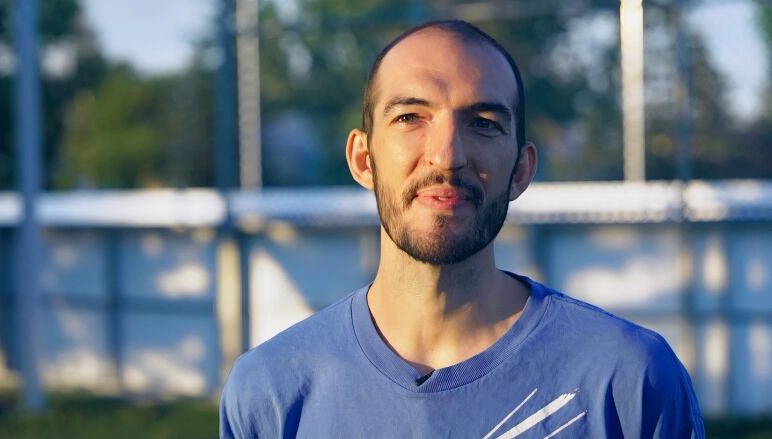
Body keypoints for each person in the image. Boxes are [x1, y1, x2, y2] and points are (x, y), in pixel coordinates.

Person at [220, 20, 705, 438]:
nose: (447, 156)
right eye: (411, 117)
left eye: (485, 123)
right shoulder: (271, 390)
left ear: (521, 170)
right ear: (363, 159)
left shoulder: (629, 378)